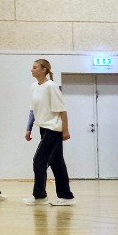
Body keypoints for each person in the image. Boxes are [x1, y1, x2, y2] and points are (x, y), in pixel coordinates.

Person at [26, 59, 74, 206]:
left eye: (35, 67)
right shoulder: (34, 86)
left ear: (44, 70)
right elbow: (33, 110)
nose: (32, 70)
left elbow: (62, 111)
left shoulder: (51, 87)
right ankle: (67, 197)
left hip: (53, 130)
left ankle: (40, 196)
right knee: (57, 164)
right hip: (43, 129)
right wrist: (29, 128)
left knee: (38, 161)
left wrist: (65, 130)